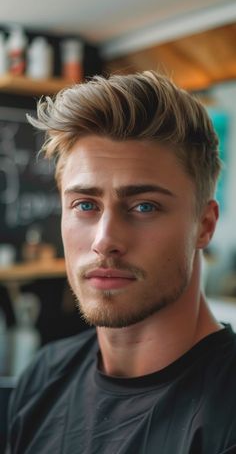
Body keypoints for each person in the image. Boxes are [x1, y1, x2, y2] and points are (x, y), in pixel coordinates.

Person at [7, 71, 236, 454]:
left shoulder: (225, 419)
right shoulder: (43, 375)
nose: (104, 240)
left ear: (204, 225)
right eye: (84, 205)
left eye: (144, 206)